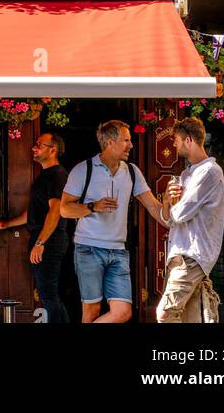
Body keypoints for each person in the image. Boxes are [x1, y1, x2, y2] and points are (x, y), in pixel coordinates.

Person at [60, 119, 165, 324]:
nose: (131, 145)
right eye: (126, 140)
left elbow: (153, 206)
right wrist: (92, 206)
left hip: (118, 250)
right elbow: (64, 209)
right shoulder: (83, 170)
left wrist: (176, 220)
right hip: (88, 248)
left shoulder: (132, 172)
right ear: (109, 142)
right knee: (91, 310)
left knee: (123, 312)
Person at [0, 131, 70, 324]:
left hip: (50, 241)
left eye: (38, 145)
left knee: (48, 294)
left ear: (53, 150)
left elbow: (55, 211)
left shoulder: (57, 175)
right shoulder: (45, 176)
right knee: (47, 294)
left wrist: (41, 242)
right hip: (42, 239)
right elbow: (34, 212)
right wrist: (6, 224)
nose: (33, 148)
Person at [156, 116, 224, 323]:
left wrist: (173, 206)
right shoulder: (187, 175)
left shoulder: (209, 172)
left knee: (165, 313)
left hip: (192, 255)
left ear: (189, 140)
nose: (174, 144)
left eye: (176, 139)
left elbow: (180, 214)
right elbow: (168, 219)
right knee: (189, 318)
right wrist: (167, 200)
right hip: (181, 254)